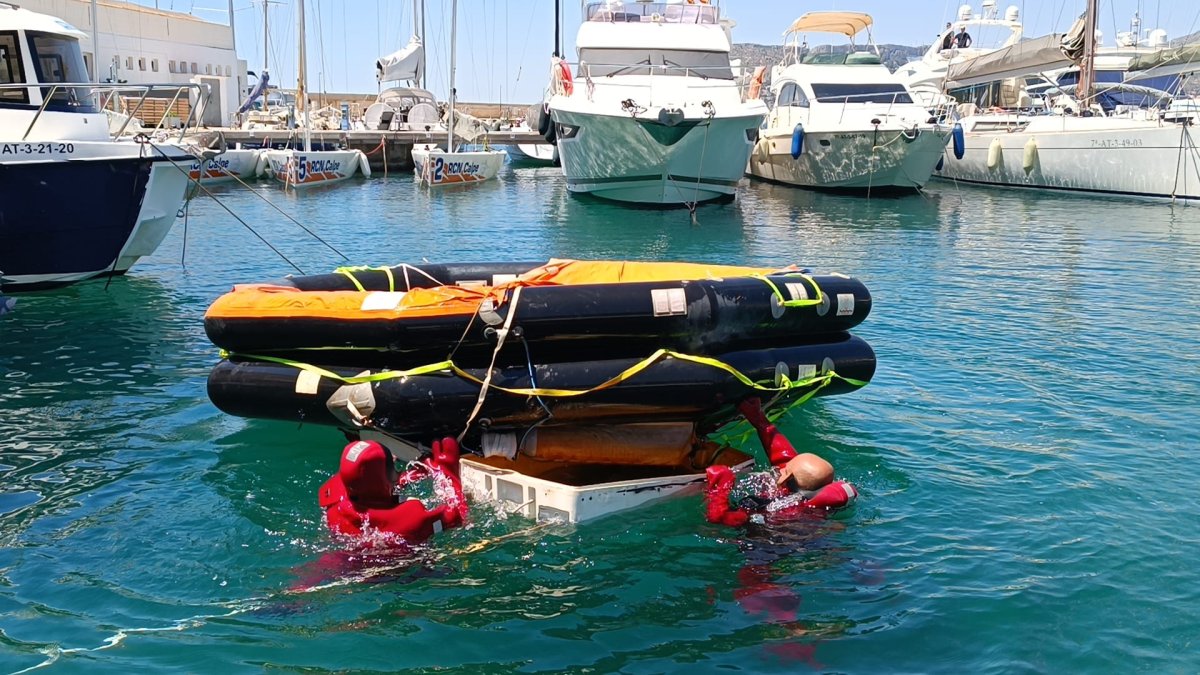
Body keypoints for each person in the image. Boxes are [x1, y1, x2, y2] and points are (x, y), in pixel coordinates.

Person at [704, 398, 857, 527]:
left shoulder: (780, 511)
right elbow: (785, 459)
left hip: (769, 548)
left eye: (785, 469)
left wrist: (719, 488)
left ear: (785, 478)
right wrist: (759, 421)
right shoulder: (808, 496)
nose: (781, 468)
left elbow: (719, 519)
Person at [319, 437, 468, 543]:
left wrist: (410, 475)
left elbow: (373, 486)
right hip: (395, 574)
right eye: (393, 465)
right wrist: (448, 472)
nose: (395, 457)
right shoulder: (414, 518)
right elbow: (459, 517)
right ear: (386, 481)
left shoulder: (335, 503)